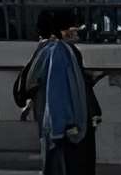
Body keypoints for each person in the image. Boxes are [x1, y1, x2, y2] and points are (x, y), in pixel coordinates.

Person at [15, 10, 99, 175]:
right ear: (64, 30)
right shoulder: (58, 53)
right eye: (73, 28)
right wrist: (64, 126)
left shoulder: (63, 50)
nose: (77, 32)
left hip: (67, 127)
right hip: (67, 130)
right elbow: (57, 93)